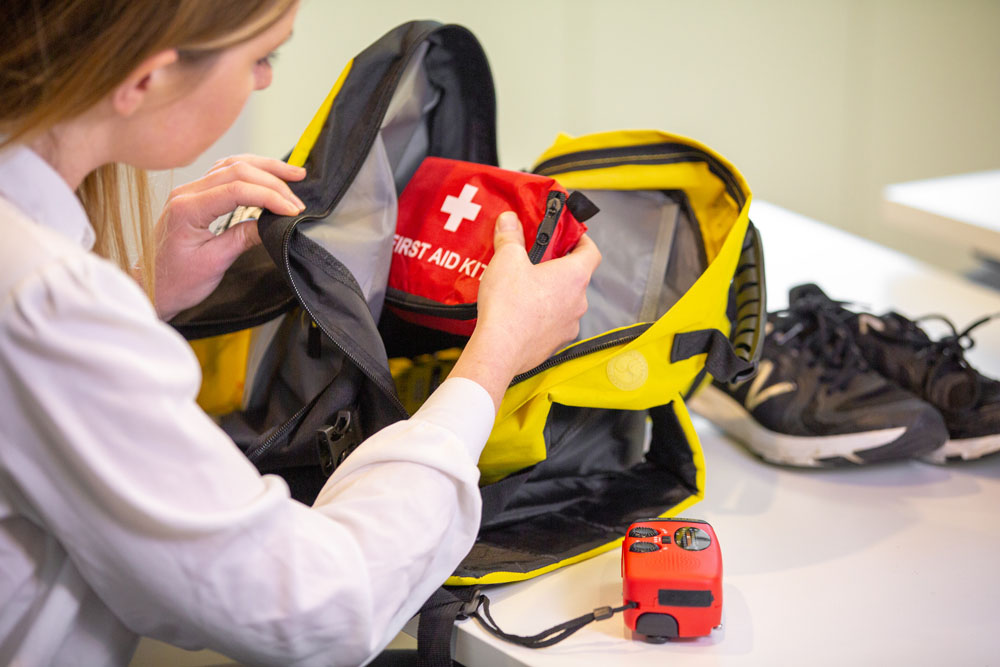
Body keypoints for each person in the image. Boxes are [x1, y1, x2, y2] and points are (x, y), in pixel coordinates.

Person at [0, 2, 601, 665]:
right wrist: (496, 355)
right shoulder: (40, 301)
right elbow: (316, 606)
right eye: (263, 57)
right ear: (148, 78)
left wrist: (140, 296)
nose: (263, 82)